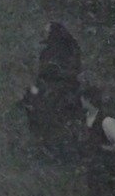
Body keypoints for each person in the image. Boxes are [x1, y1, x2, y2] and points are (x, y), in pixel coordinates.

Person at [21, 22, 82, 156]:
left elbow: (48, 75)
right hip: (59, 90)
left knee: (37, 106)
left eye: (46, 33)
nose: (44, 35)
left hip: (57, 92)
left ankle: (47, 142)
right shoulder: (69, 49)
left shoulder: (53, 53)